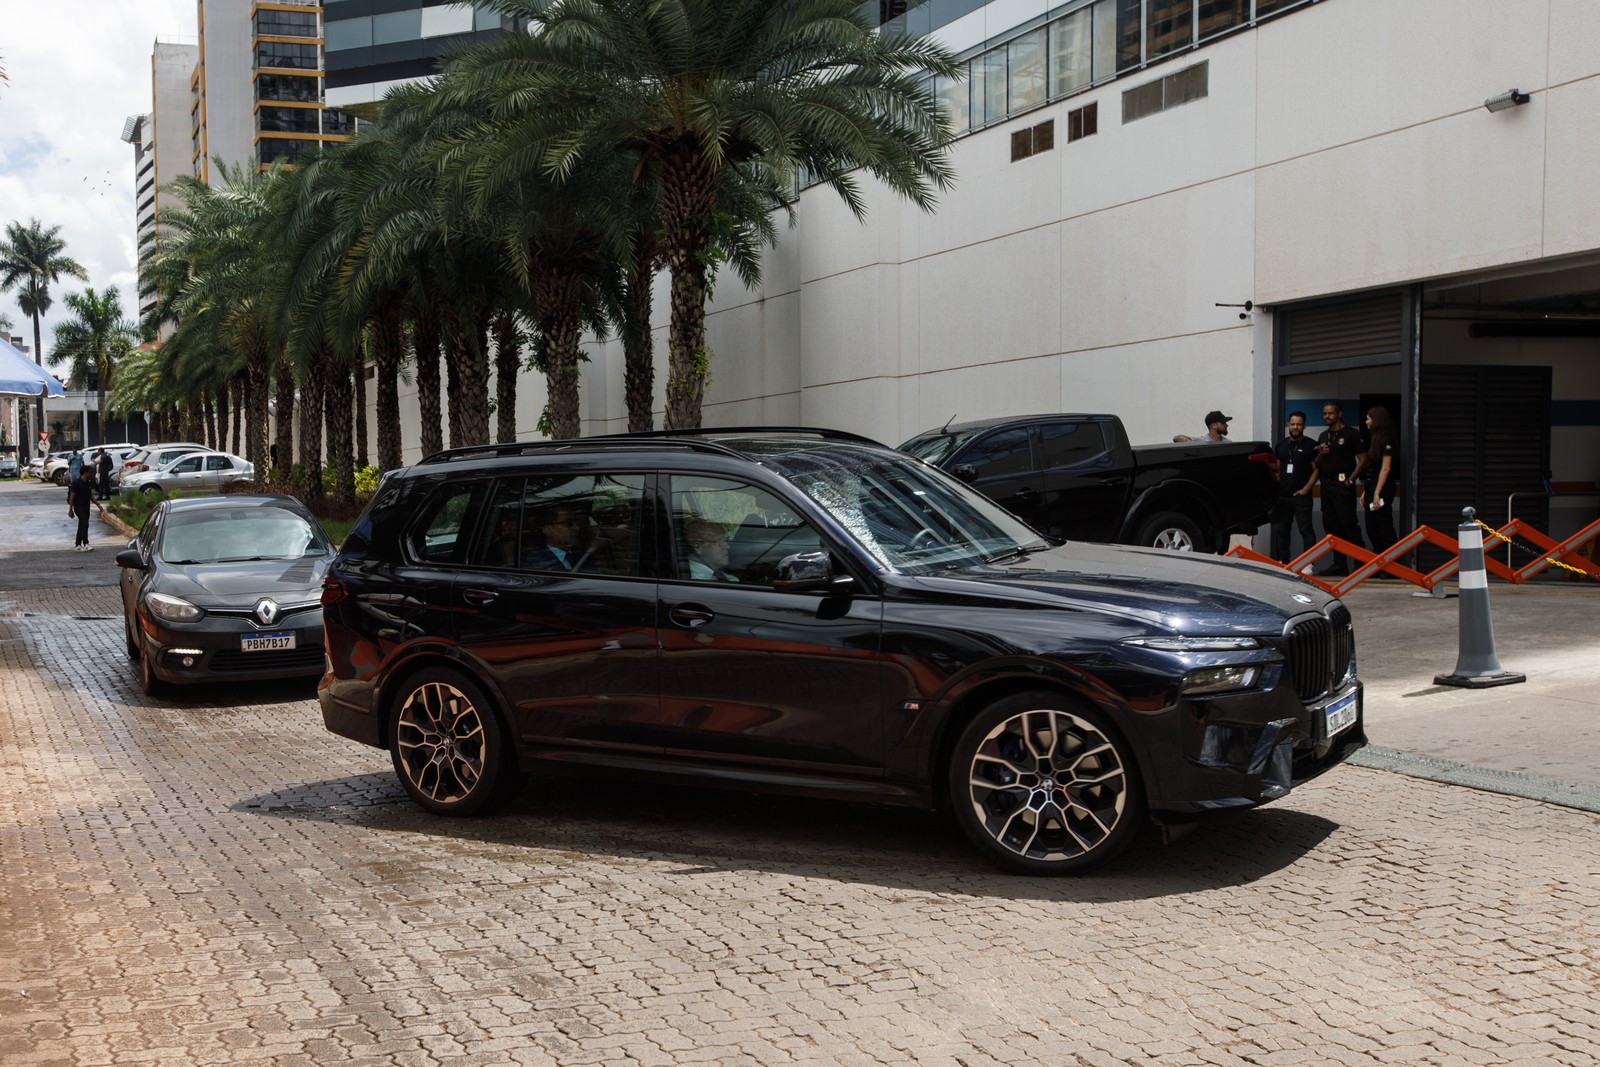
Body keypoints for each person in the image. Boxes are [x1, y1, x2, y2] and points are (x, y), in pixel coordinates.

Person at [1313, 401, 1365, 576]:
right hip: (1326, 484)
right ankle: (1339, 564)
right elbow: (1317, 465)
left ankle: (1360, 562)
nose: (1327, 416)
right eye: (1325, 413)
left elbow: (1363, 460)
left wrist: (1351, 480)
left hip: (1343, 484)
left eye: (1330, 413)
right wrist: (1321, 453)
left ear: (1339, 414)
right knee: (1331, 525)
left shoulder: (1351, 434)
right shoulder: (1323, 436)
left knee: (1348, 523)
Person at [1270, 411, 1319, 565]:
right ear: (1288, 425)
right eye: (1293, 424)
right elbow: (1277, 469)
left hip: (1301, 496)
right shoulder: (1280, 445)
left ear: (1304, 426)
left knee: (1306, 530)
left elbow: (1317, 470)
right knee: (1282, 530)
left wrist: (1306, 489)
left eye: (1299, 424)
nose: (1295, 427)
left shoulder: (1312, 445)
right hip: (1283, 496)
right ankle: (1284, 562)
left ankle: (1309, 564)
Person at [1358, 405, 1400, 552]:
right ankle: (1380, 560)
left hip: (1382, 489)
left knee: (1384, 526)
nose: (1366, 422)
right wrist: (1366, 491)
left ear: (1376, 420)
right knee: (1371, 527)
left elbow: (1385, 468)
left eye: (1368, 419)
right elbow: (1372, 470)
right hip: (1372, 487)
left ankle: (1393, 564)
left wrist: (1377, 493)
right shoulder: (1374, 440)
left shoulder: (1387, 441)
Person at [521, 504, 590, 572]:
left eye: (577, 523)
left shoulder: (582, 556)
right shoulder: (534, 563)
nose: (577, 528)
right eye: (568, 523)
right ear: (548, 530)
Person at [67, 464, 104, 552]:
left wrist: (97, 504)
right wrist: (70, 509)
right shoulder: (76, 483)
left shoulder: (88, 482)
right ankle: (86, 543)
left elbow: (90, 495)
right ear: (85, 473)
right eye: (89, 472)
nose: (90, 474)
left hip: (86, 506)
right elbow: (72, 496)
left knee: (82, 525)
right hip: (78, 506)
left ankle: (77, 544)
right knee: (85, 523)